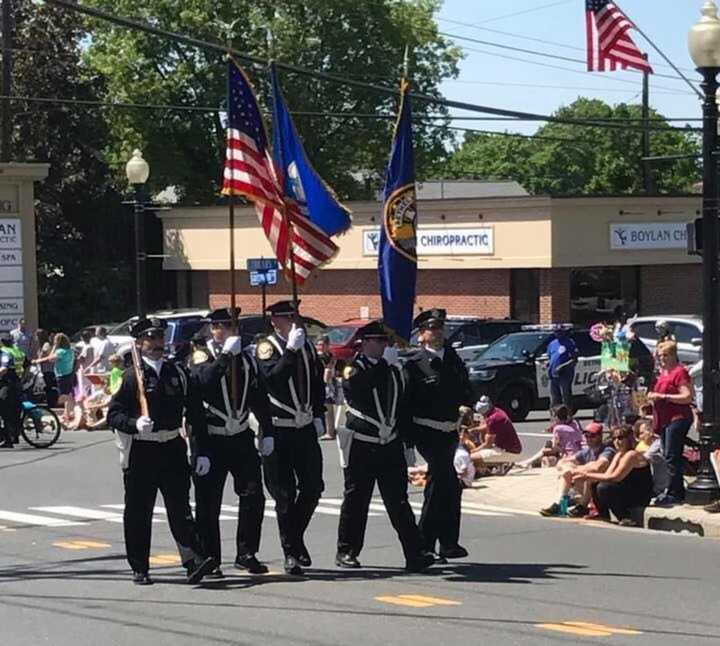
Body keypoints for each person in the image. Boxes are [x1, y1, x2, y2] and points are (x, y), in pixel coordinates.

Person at [107, 317, 216, 586]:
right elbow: (114, 415)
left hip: (172, 447)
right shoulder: (131, 376)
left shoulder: (178, 373)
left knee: (180, 508)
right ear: (140, 343)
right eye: (152, 338)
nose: (158, 343)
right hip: (142, 450)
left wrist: (201, 451)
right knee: (138, 511)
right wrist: (134, 424)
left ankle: (193, 561)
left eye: (160, 338)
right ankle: (140, 566)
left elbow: (195, 414)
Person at [335, 320, 434, 572]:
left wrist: (407, 442)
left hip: (390, 444)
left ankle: (415, 553)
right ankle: (346, 551)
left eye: (385, 342)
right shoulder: (353, 369)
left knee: (399, 502)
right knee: (357, 500)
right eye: (378, 341)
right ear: (364, 343)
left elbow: (403, 407)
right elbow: (361, 390)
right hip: (363, 444)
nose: (382, 346)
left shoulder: (393, 371)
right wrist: (385, 366)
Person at [191, 308, 273, 577]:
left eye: (232, 326)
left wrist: (267, 430)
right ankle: (210, 557)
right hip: (212, 438)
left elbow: (259, 396)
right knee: (208, 503)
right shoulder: (202, 355)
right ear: (213, 329)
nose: (228, 330)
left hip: (240, 436)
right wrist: (226, 355)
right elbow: (204, 382)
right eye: (223, 326)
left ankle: (246, 553)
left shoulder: (247, 359)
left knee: (253, 495)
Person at [255, 300, 325, 575]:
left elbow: (317, 382)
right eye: (287, 317)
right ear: (275, 321)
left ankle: (295, 538)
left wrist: (319, 413)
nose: (294, 321)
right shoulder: (267, 348)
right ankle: (290, 552)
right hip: (278, 427)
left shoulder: (305, 345)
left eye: (295, 316)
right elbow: (272, 378)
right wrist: (291, 350)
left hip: (304, 426)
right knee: (283, 495)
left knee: (313, 488)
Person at [404, 308, 473, 562]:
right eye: (432, 328)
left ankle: (446, 543)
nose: (438, 332)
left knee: (448, 486)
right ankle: (425, 542)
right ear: (421, 334)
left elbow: (466, 387)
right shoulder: (414, 363)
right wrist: (407, 438)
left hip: (449, 430)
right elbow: (408, 402)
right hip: (426, 430)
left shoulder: (453, 358)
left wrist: (468, 405)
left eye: (440, 327)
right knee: (443, 481)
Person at [647, 341, 693, 506]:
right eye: (660, 356)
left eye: (666, 355)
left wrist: (664, 397)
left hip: (678, 417)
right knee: (666, 455)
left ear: (673, 355)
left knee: (672, 455)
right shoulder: (663, 373)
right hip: (665, 419)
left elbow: (687, 396)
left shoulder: (679, 372)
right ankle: (672, 489)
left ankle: (676, 493)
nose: (662, 359)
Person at [577, 425, 653, 526]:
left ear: (629, 439)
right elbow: (607, 474)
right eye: (614, 438)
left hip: (639, 494)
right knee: (595, 483)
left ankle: (625, 517)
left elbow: (615, 477)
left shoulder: (632, 455)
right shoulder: (618, 454)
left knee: (604, 487)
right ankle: (603, 514)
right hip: (626, 489)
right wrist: (589, 477)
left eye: (620, 438)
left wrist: (586, 475)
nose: (617, 441)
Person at [540, 421, 614, 518]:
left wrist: (576, 470)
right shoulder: (586, 451)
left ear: (600, 436)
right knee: (567, 472)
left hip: (603, 486)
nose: (588, 438)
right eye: (586, 435)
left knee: (588, 473)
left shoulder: (607, 450)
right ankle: (559, 504)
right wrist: (569, 469)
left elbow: (598, 466)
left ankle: (582, 506)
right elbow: (562, 462)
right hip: (585, 486)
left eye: (592, 435)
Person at [465, 396, 522, 472]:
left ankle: (486, 470)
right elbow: (488, 426)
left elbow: (487, 444)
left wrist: (472, 451)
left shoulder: (493, 419)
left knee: (469, 458)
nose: (482, 416)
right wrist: (474, 430)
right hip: (512, 448)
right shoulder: (497, 411)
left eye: (482, 414)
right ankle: (491, 467)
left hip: (508, 451)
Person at [517, 405, 580, 469]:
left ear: (556, 417)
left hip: (569, 456)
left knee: (546, 452)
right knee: (549, 447)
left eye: (552, 416)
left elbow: (555, 448)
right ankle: (528, 462)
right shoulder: (574, 424)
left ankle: (527, 462)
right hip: (580, 454)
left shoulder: (558, 429)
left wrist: (545, 450)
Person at [34, 333, 75, 424]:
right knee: (67, 394)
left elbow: (50, 359)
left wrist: (54, 347)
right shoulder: (70, 350)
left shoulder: (60, 351)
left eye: (55, 341)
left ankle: (69, 413)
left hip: (62, 375)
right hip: (69, 374)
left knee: (63, 397)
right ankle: (67, 413)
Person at [634, 418, 670, 499]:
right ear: (638, 437)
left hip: (661, 482)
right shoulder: (639, 447)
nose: (648, 432)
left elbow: (648, 456)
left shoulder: (658, 443)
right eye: (642, 432)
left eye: (648, 429)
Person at [547, 327, 577, 410]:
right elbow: (550, 358)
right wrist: (548, 364)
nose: (558, 333)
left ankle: (568, 416)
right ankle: (555, 417)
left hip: (565, 374)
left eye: (560, 331)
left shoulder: (569, 342)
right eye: (556, 332)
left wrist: (562, 366)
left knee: (566, 396)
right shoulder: (552, 344)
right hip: (553, 375)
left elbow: (574, 359)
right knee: (554, 398)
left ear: (563, 332)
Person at [316, 335, 338, 440]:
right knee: (327, 408)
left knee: (328, 408)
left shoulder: (327, 356)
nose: (320, 346)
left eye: (322, 344)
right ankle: (329, 430)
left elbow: (328, 371)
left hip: (327, 384)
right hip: (324, 383)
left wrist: (326, 381)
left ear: (327, 345)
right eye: (319, 344)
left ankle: (330, 432)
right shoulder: (321, 355)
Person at [0, 336, 21, 447]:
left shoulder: (4, 354)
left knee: (4, 407)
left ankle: (8, 439)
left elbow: (4, 369)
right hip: (7, 383)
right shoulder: (15, 351)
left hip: (9, 384)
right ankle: (11, 436)